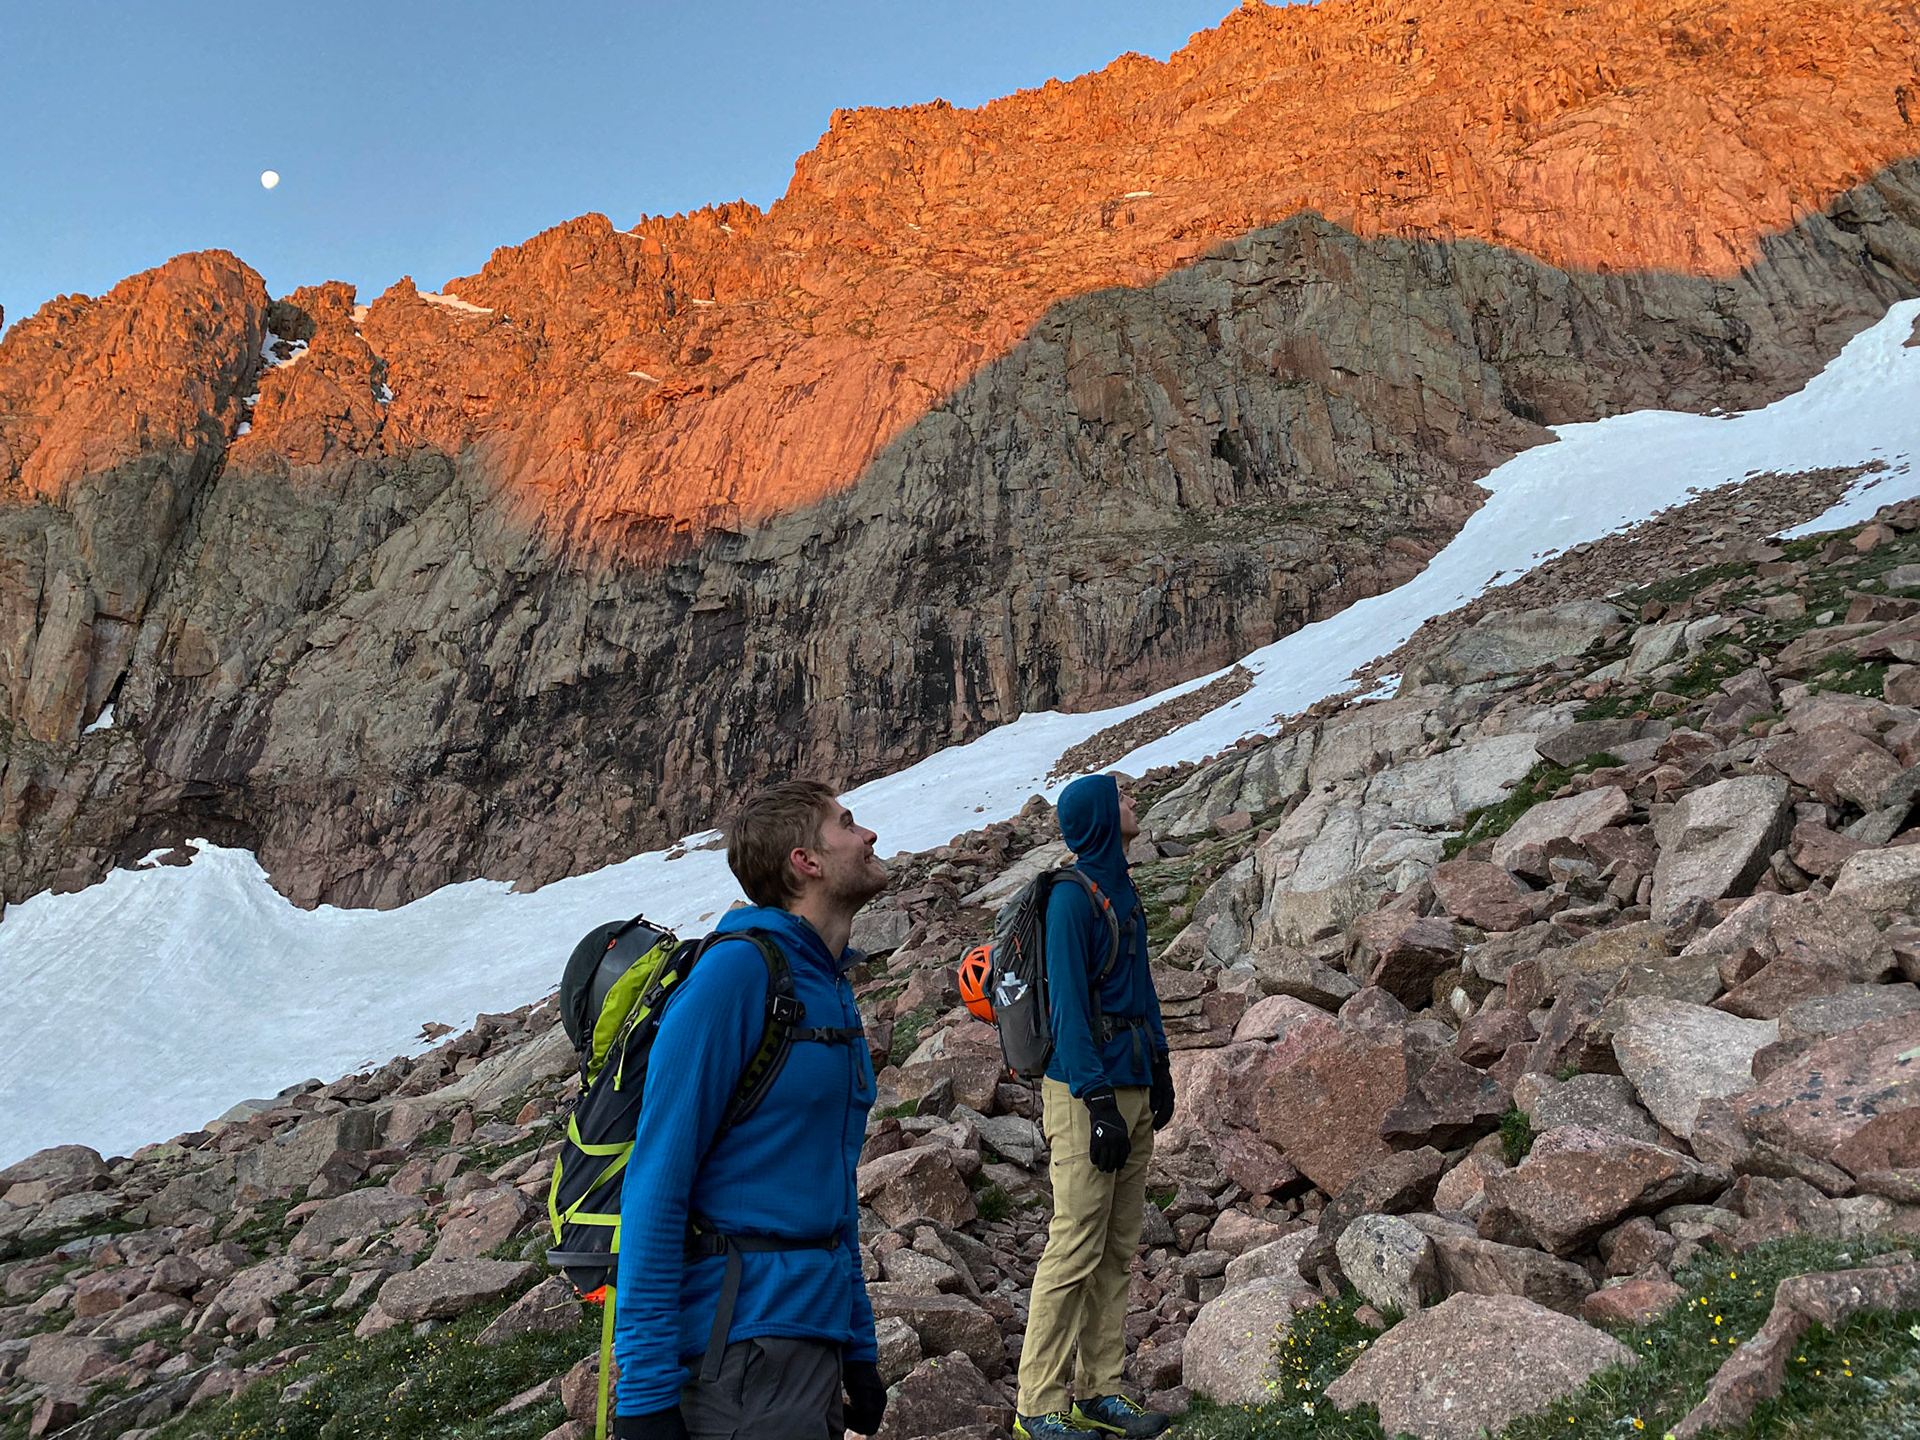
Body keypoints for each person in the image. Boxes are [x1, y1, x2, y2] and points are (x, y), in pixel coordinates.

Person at [612, 780, 890, 1440]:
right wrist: (645, 1392)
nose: (869, 834)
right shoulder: (736, 976)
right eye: (847, 824)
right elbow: (655, 1184)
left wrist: (858, 1345)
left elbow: (827, 1187)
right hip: (738, 1349)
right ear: (806, 861)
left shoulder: (827, 986)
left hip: (807, 1337)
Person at [1016, 773, 1175, 1439]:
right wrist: (1098, 1097)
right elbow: (1070, 1009)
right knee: (1074, 1244)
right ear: (1104, 817)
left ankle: (1099, 1391)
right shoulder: (1071, 900)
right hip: (1090, 1092)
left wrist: (1160, 1069)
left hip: (1131, 1084)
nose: (1135, 799)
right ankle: (1038, 1407)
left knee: (1116, 1246)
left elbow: (1141, 993)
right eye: (1125, 794)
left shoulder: (1122, 890)